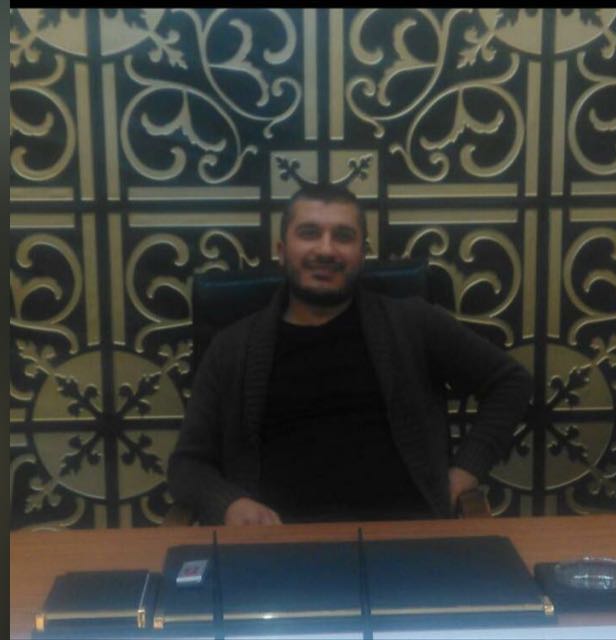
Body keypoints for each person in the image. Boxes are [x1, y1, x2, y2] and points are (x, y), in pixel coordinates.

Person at [168, 184, 532, 525]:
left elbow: (511, 382)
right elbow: (187, 465)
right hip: (277, 545)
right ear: (281, 250)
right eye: (309, 233)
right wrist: (228, 504)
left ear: (362, 252)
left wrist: (466, 470)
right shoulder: (232, 348)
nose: (326, 250)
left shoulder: (412, 323)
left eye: (343, 236)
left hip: (405, 538)